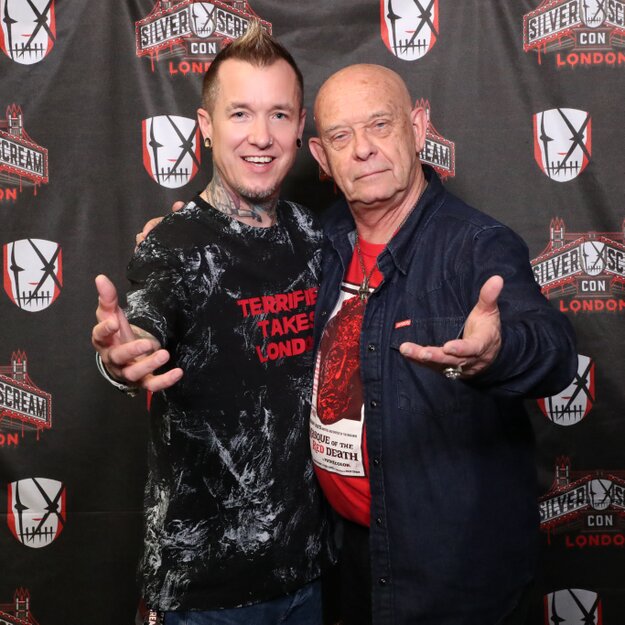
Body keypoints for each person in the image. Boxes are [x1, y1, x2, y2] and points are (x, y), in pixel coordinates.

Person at [306, 64, 577, 625]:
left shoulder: (476, 244)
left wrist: (498, 353)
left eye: (380, 125)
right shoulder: (320, 240)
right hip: (345, 560)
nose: (362, 149)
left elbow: (552, 350)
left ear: (418, 127)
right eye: (340, 136)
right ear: (321, 157)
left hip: (450, 572)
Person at [91, 24, 330, 625]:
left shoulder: (314, 235)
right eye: (240, 113)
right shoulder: (173, 244)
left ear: (300, 127)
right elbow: (145, 319)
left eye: (279, 115)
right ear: (206, 125)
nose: (261, 136)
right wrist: (124, 356)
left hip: (308, 574)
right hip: (204, 594)